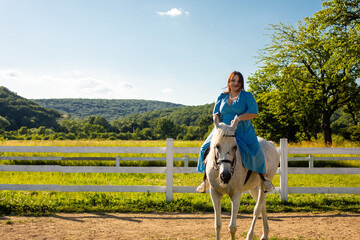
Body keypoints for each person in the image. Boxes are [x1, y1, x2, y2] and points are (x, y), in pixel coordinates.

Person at [196, 71, 275, 193]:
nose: (236, 83)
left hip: (242, 127)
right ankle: (206, 179)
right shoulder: (222, 97)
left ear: (241, 83)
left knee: (255, 149)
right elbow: (216, 113)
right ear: (229, 82)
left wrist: (239, 118)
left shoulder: (247, 96)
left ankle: (264, 178)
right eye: (233, 80)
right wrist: (217, 124)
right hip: (222, 128)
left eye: (238, 81)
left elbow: (253, 113)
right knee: (204, 148)